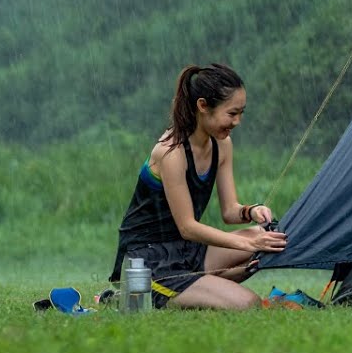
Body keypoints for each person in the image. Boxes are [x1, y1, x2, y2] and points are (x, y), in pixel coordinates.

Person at [109, 63, 287, 309]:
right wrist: (247, 244)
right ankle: (140, 292)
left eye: (241, 113)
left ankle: (197, 286)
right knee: (249, 304)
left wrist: (251, 211)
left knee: (271, 236)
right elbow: (188, 227)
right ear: (202, 106)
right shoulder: (171, 152)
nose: (238, 121)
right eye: (232, 113)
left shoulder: (222, 145)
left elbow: (229, 211)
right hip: (147, 260)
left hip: (186, 251)